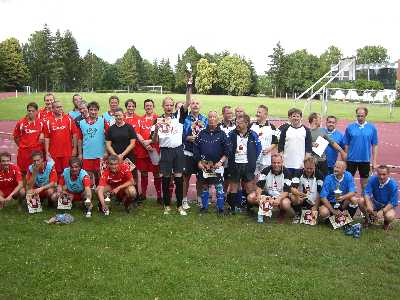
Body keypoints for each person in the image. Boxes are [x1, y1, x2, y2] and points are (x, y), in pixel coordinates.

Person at [151, 75, 191, 216]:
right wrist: (156, 129)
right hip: (165, 151)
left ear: (173, 106)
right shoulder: (158, 119)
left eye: (170, 105)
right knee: (166, 178)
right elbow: (154, 141)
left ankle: (179, 206)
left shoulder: (179, 116)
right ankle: (167, 205)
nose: (168, 107)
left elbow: (188, 101)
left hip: (178, 150)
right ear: (163, 106)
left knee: (179, 178)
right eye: (166, 105)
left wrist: (189, 85)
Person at [193, 111, 231, 214]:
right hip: (204, 165)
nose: (212, 119)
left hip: (217, 165)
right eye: (210, 117)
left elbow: (228, 150)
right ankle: (204, 207)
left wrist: (221, 162)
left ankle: (220, 208)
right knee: (205, 186)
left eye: (214, 117)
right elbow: (196, 149)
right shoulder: (201, 133)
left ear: (217, 119)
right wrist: (198, 162)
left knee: (219, 186)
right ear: (207, 119)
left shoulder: (222, 134)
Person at [226, 114, 261, 213]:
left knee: (249, 187)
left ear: (246, 123)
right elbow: (227, 147)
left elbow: (258, 148)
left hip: (248, 164)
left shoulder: (253, 134)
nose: (237, 125)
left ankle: (249, 208)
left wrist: (252, 158)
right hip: (235, 164)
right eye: (236, 122)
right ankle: (232, 208)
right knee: (234, 186)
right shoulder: (231, 134)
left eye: (239, 123)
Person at [182, 90, 208, 210]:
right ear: (190, 106)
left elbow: (208, 134)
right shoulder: (184, 119)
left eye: (197, 103)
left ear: (200, 105)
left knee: (201, 178)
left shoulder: (205, 119)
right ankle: (184, 200)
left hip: (201, 153)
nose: (195, 105)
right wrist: (186, 137)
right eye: (193, 103)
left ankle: (199, 198)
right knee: (185, 177)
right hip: (187, 152)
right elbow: (178, 133)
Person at [343, 107, 378, 192]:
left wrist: (374, 161)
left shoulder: (372, 128)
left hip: (365, 160)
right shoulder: (350, 127)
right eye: (358, 116)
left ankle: (363, 203)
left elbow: (375, 145)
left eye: (362, 116)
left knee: (365, 185)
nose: (360, 118)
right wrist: (345, 158)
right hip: (351, 159)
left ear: (366, 115)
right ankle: (350, 204)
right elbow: (346, 144)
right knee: (348, 183)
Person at [134, 99, 162, 204]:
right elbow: (137, 133)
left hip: (154, 150)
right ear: (144, 107)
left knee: (156, 173)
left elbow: (160, 135)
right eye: (147, 105)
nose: (148, 107)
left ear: (153, 106)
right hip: (142, 150)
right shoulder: (140, 120)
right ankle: (144, 194)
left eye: (150, 105)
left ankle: (159, 196)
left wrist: (149, 143)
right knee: (144, 173)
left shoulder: (158, 119)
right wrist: (145, 144)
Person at [77, 101, 108, 187]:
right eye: (91, 109)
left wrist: (106, 151)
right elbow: (80, 140)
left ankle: (99, 189)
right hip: (87, 153)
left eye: (95, 110)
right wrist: (80, 153)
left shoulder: (102, 121)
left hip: (100, 153)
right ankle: (89, 191)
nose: (93, 112)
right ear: (88, 110)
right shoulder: (82, 123)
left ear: (98, 110)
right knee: (88, 174)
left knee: (100, 173)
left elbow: (107, 138)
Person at [358, 165, 398, 230]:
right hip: (375, 202)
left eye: (384, 174)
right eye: (379, 174)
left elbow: (393, 202)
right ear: (377, 173)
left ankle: (386, 223)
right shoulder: (372, 179)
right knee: (361, 201)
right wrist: (368, 205)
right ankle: (368, 219)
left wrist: (383, 211)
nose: (381, 177)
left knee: (390, 216)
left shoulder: (393, 184)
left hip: (387, 205)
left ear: (388, 174)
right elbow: (366, 192)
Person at [44, 101, 78, 176]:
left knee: (67, 172)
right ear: (52, 109)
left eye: (61, 107)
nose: (60, 109)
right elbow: (47, 138)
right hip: (54, 153)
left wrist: (75, 148)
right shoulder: (48, 121)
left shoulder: (68, 119)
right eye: (57, 107)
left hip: (67, 152)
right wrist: (47, 152)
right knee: (55, 173)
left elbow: (75, 134)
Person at [308, 112, 346, 177]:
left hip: (322, 161)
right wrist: (310, 144)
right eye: (320, 119)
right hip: (311, 161)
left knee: (324, 179)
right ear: (314, 120)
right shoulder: (306, 131)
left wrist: (342, 152)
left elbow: (332, 143)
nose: (321, 121)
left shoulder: (322, 131)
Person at [278, 108, 312, 176]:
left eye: (297, 116)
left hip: (300, 165)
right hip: (287, 165)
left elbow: (308, 150)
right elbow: (280, 147)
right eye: (293, 116)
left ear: (301, 118)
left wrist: (304, 163)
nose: (295, 118)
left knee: (298, 185)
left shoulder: (306, 130)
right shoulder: (285, 130)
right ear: (290, 117)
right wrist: (282, 162)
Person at [290, 157, 324, 223]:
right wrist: (298, 194)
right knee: (293, 197)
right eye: (307, 168)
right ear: (304, 166)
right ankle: (297, 213)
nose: (309, 170)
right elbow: (293, 188)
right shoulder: (298, 172)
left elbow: (319, 192)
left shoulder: (319, 175)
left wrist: (315, 207)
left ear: (314, 166)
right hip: (301, 198)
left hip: (313, 200)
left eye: (311, 168)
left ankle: (313, 213)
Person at [13, 102, 44, 175]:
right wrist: (22, 145)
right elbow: (16, 137)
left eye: (33, 111)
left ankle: (35, 186)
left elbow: (46, 135)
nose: (30, 112)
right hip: (23, 153)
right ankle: (24, 186)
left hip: (36, 153)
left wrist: (42, 134)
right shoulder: (20, 122)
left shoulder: (42, 123)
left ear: (37, 112)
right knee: (23, 172)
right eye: (29, 110)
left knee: (37, 171)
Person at [250, 105, 278, 175]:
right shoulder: (251, 126)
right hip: (253, 159)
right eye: (257, 112)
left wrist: (269, 149)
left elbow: (275, 141)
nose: (257, 114)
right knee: (253, 179)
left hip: (266, 159)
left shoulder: (272, 127)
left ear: (265, 114)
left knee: (265, 179)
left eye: (259, 112)